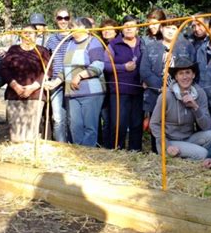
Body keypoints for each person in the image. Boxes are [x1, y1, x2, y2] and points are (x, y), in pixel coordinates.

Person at [45, 17, 106, 147]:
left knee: (90, 127)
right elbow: (65, 68)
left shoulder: (93, 42)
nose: (71, 27)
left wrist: (80, 76)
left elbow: (98, 65)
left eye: (74, 25)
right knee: (75, 126)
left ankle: (87, 155)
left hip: (91, 93)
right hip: (72, 93)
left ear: (85, 29)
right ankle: (78, 152)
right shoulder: (69, 43)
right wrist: (55, 82)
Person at [140, 15, 195, 152]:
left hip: (181, 95)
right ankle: (157, 152)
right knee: (156, 126)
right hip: (155, 94)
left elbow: (193, 68)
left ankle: (178, 152)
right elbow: (144, 70)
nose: (170, 31)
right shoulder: (151, 47)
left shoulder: (186, 46)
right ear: (161, 28)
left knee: (179, 125)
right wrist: (160, 86)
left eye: (174, 28)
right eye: (167, 27)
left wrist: (179, 87)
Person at [150, 57, 211, 160]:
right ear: (176, 76)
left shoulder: (200, 93)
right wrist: (167, 145)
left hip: (187, 138)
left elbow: (206, 126)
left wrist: (195, 107)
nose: (185, 77)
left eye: (188, 72)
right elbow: (154, 123)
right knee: (203, 154)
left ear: (193, 75)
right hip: (169, 141)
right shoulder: (166, 95)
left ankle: (184, 160)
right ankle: (179, 160)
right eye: (181, 73)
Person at [0, 24, 51, 142]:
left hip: (35, 95)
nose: (27, 35)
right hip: (15, 94)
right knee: (15, 132)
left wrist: (33, 87)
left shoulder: (42, 51)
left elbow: (48, 70)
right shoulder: (13, 49)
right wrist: (15, 85)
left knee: (31, 132)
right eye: (25, 32)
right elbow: (4, 69)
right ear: (21, 34)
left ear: (36, 35)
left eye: (31, 33)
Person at [104, 15, 144, 150]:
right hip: (119, 91)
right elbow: (105, 65)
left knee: (137, 123)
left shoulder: (142, 44)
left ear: (137, 29)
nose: (129, 29)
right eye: (126, 26)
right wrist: (123, 68)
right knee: (119, 123)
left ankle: (135, 151)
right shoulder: (113, 45)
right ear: (122, 29)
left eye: (132, 26)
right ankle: (116, 149)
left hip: (139, 90)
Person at [46, 8, 72, 142]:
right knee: (57, 117)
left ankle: (73, 146)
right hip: (55, 80)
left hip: (71, 81)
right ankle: (61, 145)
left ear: (70, 19)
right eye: (60, 18)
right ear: (56, 19)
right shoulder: (51, 39)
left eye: (66, 18)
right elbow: (47, 59)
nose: (63, 21)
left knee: (72, 117)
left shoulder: (74, 37)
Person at [98, 17, 118, 147]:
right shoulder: (99, 44)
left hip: (114, 86)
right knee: (105, 118)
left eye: (109, 30)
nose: (106, 32)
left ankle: (112, 144)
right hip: (102, 86)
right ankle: (105, 145)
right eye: (104, 30)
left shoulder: (117, 45)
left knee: (113, 118)